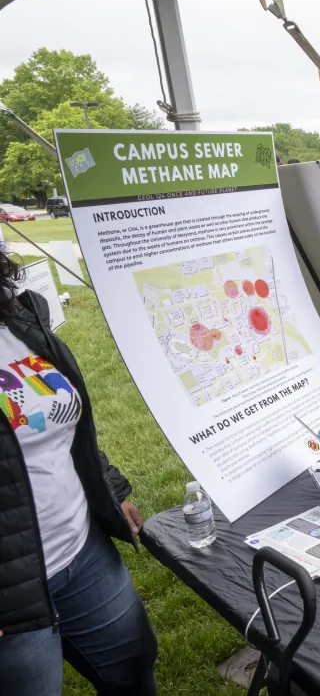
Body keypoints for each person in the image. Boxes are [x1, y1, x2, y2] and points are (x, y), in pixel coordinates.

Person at [0, 254, 157, 694]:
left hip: (82, 551)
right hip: (9, 597)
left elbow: (66, 426)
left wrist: (108, 485)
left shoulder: (19, 318)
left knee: (133, 667)